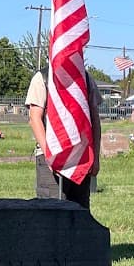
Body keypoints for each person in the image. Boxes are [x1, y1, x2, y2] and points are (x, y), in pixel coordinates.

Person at [24, 66, 102, 207]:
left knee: (80, 212)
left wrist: (95, 157)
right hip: (51, 156)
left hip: (81, 157)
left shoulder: (86, 78)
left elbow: (94, 120)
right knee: (51, 211)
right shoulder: (42, 78)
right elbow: (35, 118)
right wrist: (49, 155)